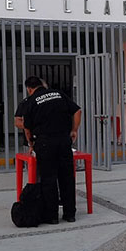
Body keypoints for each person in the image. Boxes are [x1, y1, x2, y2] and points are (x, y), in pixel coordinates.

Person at [20, 76, 82, 223]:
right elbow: (77, 111)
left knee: (49, 179)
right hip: (63, 141)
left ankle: (52, 216)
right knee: (67, 178)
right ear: (42, 85)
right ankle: (70, 214)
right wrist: (74, 130)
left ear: (29, 89)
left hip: (45, 143)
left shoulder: (31, 101)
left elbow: (27, 128)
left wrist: (31, 144)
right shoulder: (58, 94)